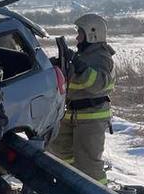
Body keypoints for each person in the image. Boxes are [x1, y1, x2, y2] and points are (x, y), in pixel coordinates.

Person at [49, 12, 116, 183]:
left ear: (92, 34)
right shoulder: (83, 55)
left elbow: (100, 83)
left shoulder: (101, 57)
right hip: (73, 113)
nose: (77, 37)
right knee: (59, 152)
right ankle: (71, 187)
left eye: (80, 33)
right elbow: (72, 82)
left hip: (91, 117)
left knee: (89, 167)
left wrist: (80, 67)